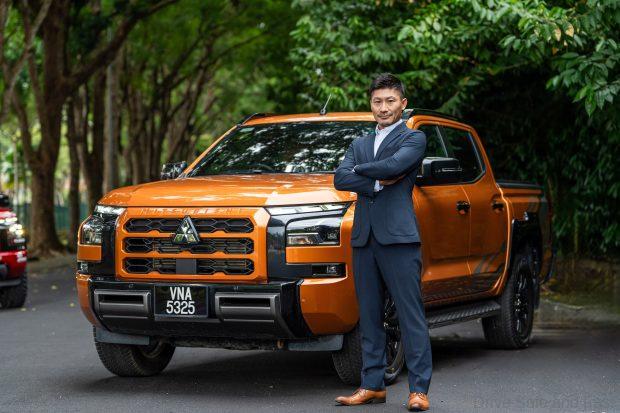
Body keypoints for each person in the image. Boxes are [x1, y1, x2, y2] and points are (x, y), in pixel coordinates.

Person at [333, 73, 431, 411]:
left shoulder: (414, 138)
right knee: (369, 316)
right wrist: (376, 180)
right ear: (370, 105)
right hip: (364, 238)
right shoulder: (359, 143)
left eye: (390, 101)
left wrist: (360, 172)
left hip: (399, 238)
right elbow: (339, 177)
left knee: (409, 315)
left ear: (403, 104)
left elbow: (396, 165)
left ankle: (419, 390)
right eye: (377, 101)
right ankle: (372, 385)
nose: (383, 107)